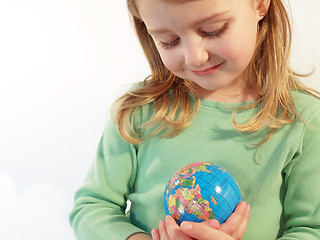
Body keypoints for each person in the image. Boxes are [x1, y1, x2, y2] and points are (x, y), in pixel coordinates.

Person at [69, 0, 320, 239]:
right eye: (169, 41)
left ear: (260, 4)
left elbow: (313, 229)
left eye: (213, 30)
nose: (194, 57)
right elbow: (92, 207)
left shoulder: (304, 121)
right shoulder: (138, 113)